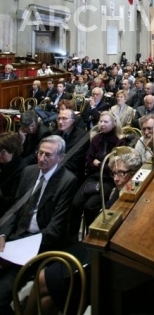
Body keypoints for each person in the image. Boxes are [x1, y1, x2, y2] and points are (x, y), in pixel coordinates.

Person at [23, 149, 142, 315]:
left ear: (136, 173)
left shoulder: (132, 193)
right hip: (93, 249)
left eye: (121, 173)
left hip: (102, 260)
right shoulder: (121, 190)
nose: (116, 178)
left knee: (41, 279)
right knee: (46, 296)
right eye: (114, 173)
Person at [0, 135, 78, 315]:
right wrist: (3, 236)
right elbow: (14, 210)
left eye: (48, 155)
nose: (41, 158)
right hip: (15, 237)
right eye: (39, 153)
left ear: (60, 157)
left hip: (38, 243)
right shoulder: (29, 172)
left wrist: (16, 251)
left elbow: (54, 230)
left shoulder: (67, 181)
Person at [69, 111, 127, 235]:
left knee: (90, 207)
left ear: (113, 124)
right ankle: (72, 237)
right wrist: (101, 164)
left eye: (106, 122)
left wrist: (99, 164)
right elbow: (88, 161)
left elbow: (114, 167)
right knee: (75, 204)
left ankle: (92, 236)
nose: (102, 124)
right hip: (93, 176)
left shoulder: (120, 141)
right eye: (100, 121)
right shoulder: (96, 138)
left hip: (109, 179)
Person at [52, 108, 89, 183]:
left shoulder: (83, 137)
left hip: (71, 174)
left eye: (64, 119)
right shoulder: (55, 134)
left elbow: (75, 164)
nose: (60, 122)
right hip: (54, 168)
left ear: (73, 121)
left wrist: (53, 166)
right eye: (58, 119)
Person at [0, 132, 25, 217]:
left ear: (13, 151)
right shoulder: (4, 162)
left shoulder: (21, 170)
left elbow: (11, 202)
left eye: (3, 152)